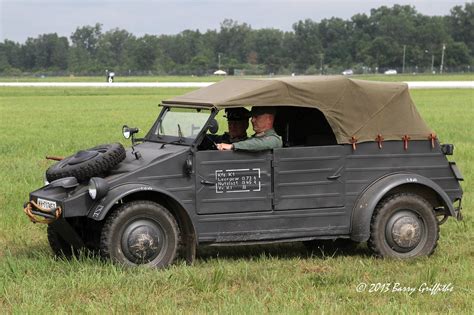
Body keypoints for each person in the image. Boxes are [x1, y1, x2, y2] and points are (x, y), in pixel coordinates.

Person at [217, 106, 282, 151]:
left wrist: (232, 146)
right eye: (252, 117)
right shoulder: (255, 139)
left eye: (256, 117)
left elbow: (258, 144)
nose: (252, 120)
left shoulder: (275, 140)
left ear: (269, 119)